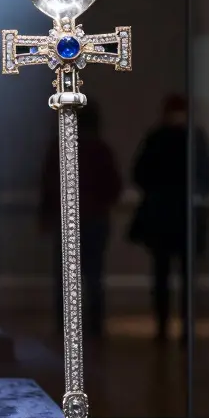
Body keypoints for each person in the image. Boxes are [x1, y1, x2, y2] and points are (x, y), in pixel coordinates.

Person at [127, 95, 209, 344]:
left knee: (162, 275)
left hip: (162, 215)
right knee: (184, 277)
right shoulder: (194, 138)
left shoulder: (157, 137)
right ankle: (184, 329)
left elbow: (140, 173)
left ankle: (163, 327)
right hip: (186, 214)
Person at [40, 101, 123, 338]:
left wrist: (47, 215)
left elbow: (48, 184)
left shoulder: (59, 148)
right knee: (94, 274)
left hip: (67, 221)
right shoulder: (100, 149)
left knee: (66, 276)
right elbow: (114, 186)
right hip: (96, 218)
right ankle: (95, 325)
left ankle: (64, 326)